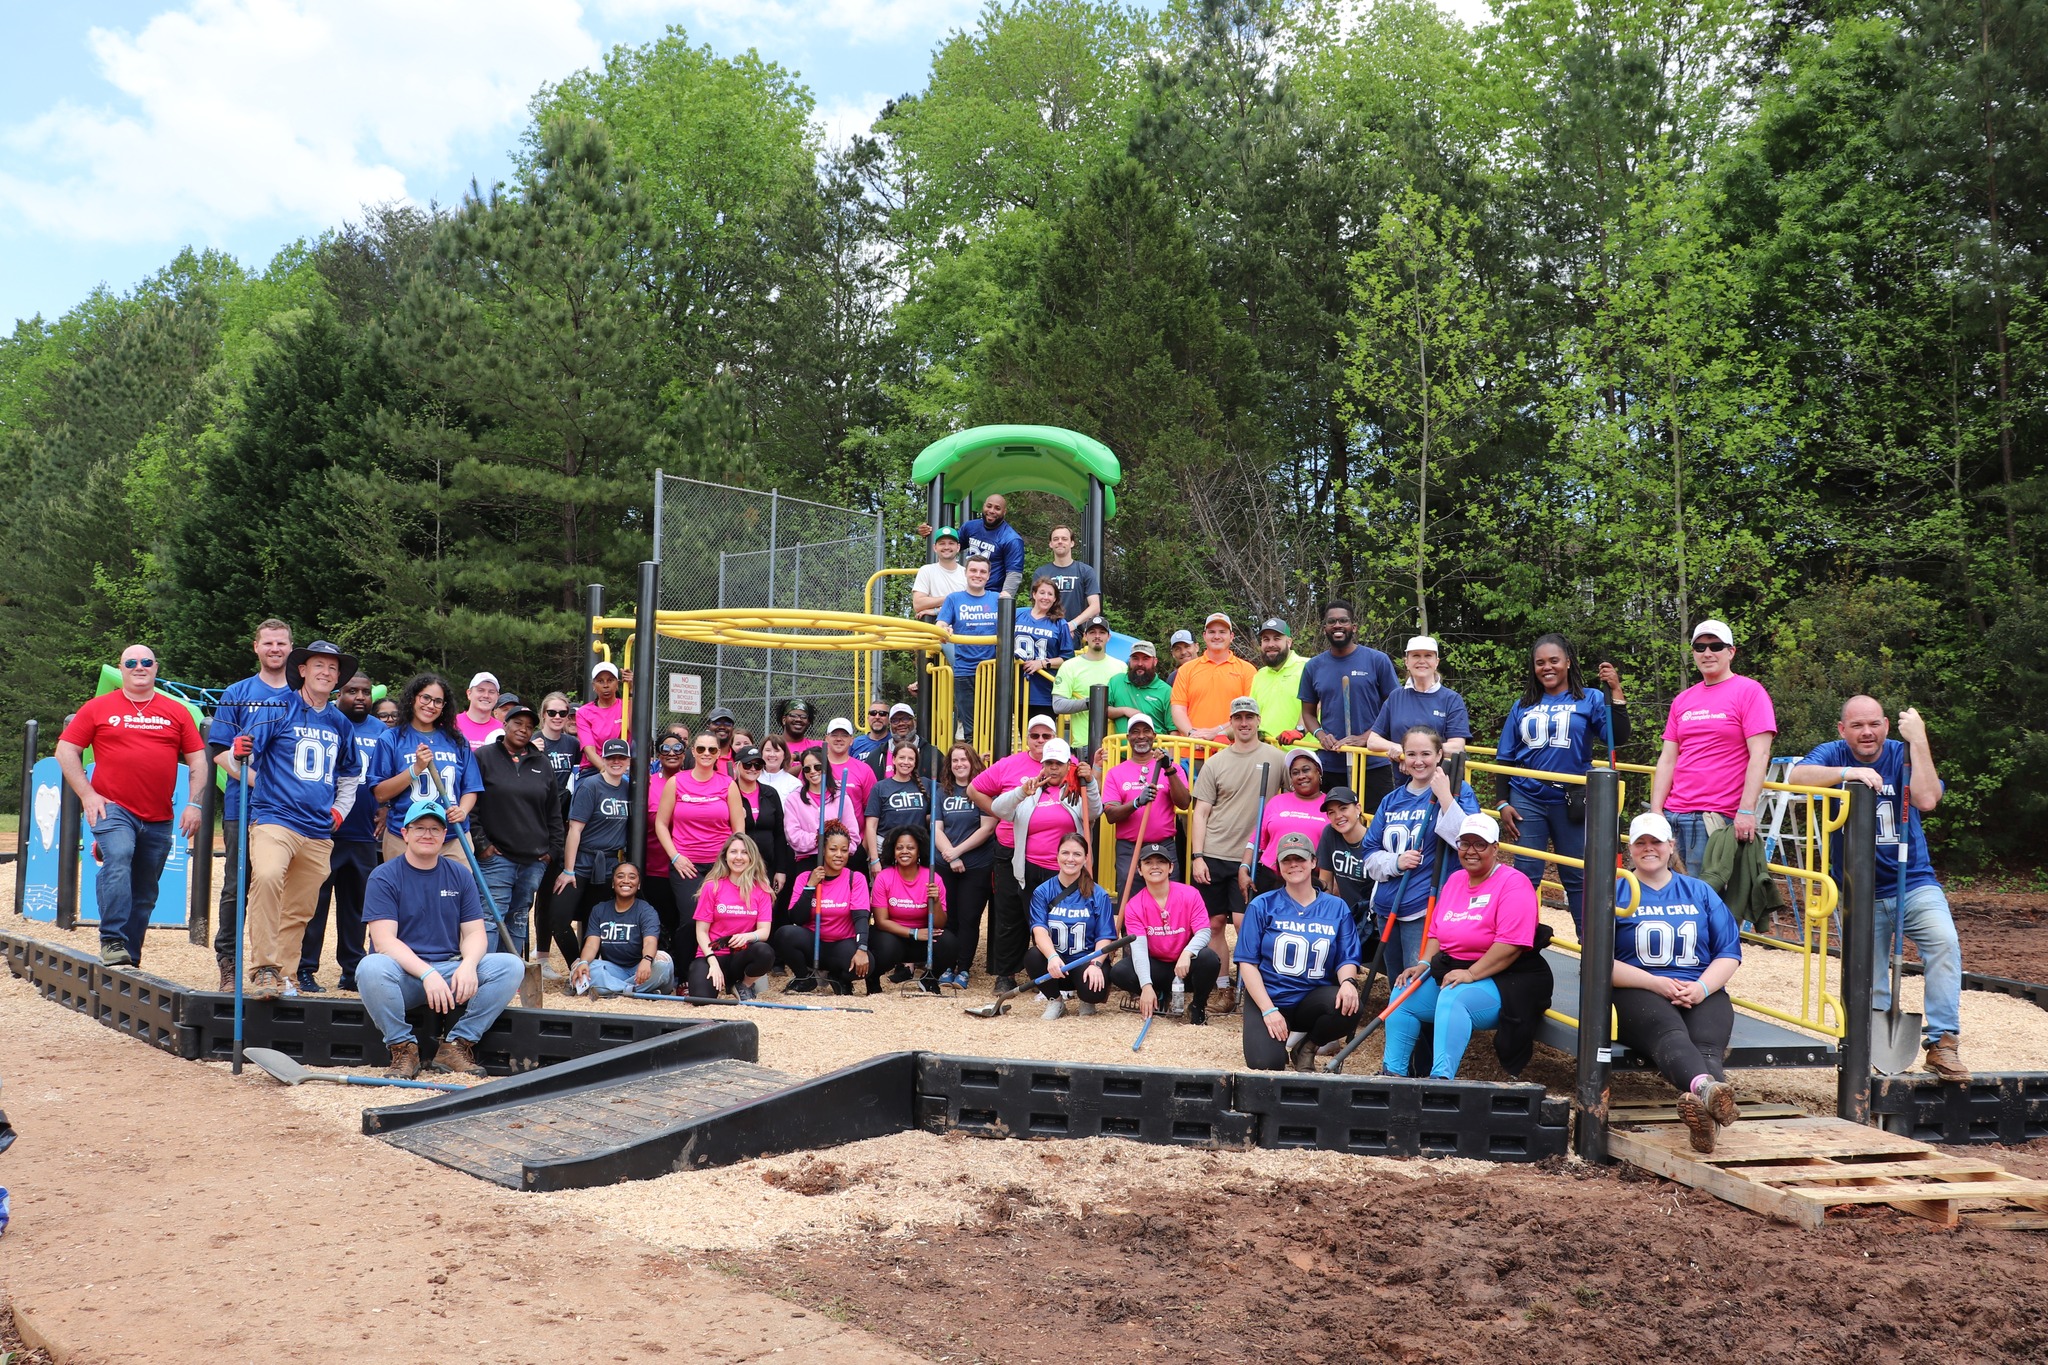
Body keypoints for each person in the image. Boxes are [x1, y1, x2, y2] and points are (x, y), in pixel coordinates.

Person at [1789, 698, 1969, 1082]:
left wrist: (1919, 740)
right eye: (1857, 726)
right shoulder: (1833, 753)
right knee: (1869, 975)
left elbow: (1926, 799)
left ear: (1886, 725)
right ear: (1843, 730)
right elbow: (1796, 778)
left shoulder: (1903, 754)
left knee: (1944, 943)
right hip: (1859, 889)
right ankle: (1875, 1052)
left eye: (1874, 724)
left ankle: (1943, 1043)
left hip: (1912, 881)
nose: (1867, 732)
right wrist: (1848, 773)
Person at [228, 641, 368, 1000]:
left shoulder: (340, 722)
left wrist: (340, 810)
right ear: (302, 670)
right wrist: (237, 753)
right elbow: (243, 755)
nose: (326, 672)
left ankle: (285, 975)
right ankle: (263, 968)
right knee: (267, 876)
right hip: (275, 817)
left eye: (333, 668)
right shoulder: (278, 708)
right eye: (319, 665)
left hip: (318, 828)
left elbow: (351, 773)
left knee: (300, 907)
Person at [56, 645, 207, 970]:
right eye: (132, 662)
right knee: (119, 855)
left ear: (156, 668)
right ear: (121, 668)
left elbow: (198, 760)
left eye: (146, 662)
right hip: (112, 808)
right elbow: (66, 750)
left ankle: (130, 959)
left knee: (146, 891)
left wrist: (194, 804)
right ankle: (111, 940)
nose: (140, 667)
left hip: (159, 815)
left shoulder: (177, 711)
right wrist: (87, 794)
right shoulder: (98, 707)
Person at [357, 800, 524, 1078]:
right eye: (420, 828)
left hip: (449, 972)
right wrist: (427, 973)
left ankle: (456, 1045)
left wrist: (468, 965)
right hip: (403, 977)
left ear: (445, 835)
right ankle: (403, 1048)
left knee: (510, 966)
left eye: (435, 829)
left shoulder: (460, 874)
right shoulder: (384, 876)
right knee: (370, 967)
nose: (428, 834)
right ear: (405, 833)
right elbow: (385, 942)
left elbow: (475, 933)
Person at [1609, 813, 1745, 1151]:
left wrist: (1701, 988)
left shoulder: (1699, 891)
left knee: (1708, 1047)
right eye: (1640, 842)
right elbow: (1599, 962)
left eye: (1656, 841)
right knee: (1669, 1034)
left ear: (1671, 846)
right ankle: (1708, 1091)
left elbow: (1729, 952)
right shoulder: (1615, 890)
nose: (1648, 848)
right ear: (1630, 849)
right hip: (1638, 988)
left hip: (1698, 986)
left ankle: (1705, 1113)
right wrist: (1655, 983)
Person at [1382, 813, 1552, 1080]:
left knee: (1454, 995)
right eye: (1465, 843)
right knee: (1403, 994)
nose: (1471, 851)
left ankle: (1440, 1081)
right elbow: (1436, 932)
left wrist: (1471, 974)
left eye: (1480, 844)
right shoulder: (1455, 880)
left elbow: (1510, 945)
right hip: (1457, 967)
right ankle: (1391, 1077)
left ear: (1495, 848)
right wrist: (1423, 964)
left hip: (1509, 976)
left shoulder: (1514, 883)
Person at [1494, 634, 1629, 927]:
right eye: (1540, 662)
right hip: (1527, 796)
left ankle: (1587, 946)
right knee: (1525, 874)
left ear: (1567, 662)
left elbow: (1617, 737)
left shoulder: (1590, 698)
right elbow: (1505, 756)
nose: (1547, 667)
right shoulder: (1523, 704)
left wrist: (1616, 691)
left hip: (1572, 799)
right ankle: (1517, 944)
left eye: (1554, 660)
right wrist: (1502, 801)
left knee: (1577, 875)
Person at [205, 617, 294, 989]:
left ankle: (279, 967)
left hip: (292, 810)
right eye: (268, 643)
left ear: (291, 648)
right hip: (245, 806)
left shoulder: (302, 694)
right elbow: (219, 753)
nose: (275, 649)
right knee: (237, 886)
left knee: (284, 888)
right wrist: (262, 781)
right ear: (256, 647)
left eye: (281, 643)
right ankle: (228, 962)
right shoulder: (237, 693)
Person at [1650, 619, 1776, 876]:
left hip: (1715, 818)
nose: (1707, 653)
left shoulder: (1750, 692)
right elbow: (1668, 759)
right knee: (1670, 891)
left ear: (1731, 652)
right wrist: (1655, 811)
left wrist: (1746, 810)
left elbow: (1760, 754)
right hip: (1673, 815)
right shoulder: (1683, 700)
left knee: (1708, 894)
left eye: (1716, 646)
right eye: (1700, 647)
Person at [1236, 832, 1364, 1070]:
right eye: (1286, 860)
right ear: (1278, 866)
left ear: (1313, 862)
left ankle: (1306, 1047)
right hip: (1271, 995)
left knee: (1350, 1005)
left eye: (1300, 858)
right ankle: (1274, 1041)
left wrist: (1348, 983)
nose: (1293, 864)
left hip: (1311, 999)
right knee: (1265, 1064)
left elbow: (1346, 956)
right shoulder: (1262, 905)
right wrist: (1268, 1010)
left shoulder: (1336, 907)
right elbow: (1247, 963)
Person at [1187, 697, 1284, 1009]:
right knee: (1214, 924)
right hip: (1215, 852)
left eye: (1249, 717)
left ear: (1258, 720)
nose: (1244, 723)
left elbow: (1292, 796)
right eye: (1238, 717)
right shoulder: (1216, 762)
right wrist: (1198, 856)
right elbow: (1201, 813)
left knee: (1245, 924)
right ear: (1230, 722)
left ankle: (1253, 987)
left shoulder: (1277, 759)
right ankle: (1223, 988)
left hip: (1253, 856)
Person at [988, 736, 1102, 992]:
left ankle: (1062, 977)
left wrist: (1091, 782)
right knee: (1030, 922)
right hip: (1029, 869)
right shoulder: (1030, 790)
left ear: (1067, 765)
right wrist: (1021, 792)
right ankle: (1024, 975)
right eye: (1049, 763)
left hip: (1065, 871)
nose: (1053, 768)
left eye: (1058, 764)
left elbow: (1095, 812)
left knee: (1061, 925)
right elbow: (998, 808)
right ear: (1042, 765)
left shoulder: (1076, 789)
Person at [298, 672, 388, 992]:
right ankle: (305, 967)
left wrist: (387, 806)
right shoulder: (327, 722)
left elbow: (390, 774)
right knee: (315, 903)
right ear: (339, 694)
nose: (360, 697)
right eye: (352, 691)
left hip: (364, 833)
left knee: (357, 907)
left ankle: (352, 969)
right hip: (325, 831)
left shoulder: (382, 731)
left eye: (366, 691)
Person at [1364, 727, 1479, 969]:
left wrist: (1445, 796)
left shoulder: (1458, 790)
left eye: (1425, 754)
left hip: (1425, 909)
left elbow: (1470, 843)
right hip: (1386, 907)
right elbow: (1369, 853)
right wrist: (1396, 862)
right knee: (1396, 982)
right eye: (1411, 754)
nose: (1418, 761)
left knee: (1415, 983)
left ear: (1439, 755)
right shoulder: (1391, 800)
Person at [966, 714, 1061, 988]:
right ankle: (1006, 974)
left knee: (1051, 913)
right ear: (1027, 739)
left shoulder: (1065, 763)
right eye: (1035, 736)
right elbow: (974, 790)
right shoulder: (1009, 764)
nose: (1040, 741)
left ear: (1054, 738)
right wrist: (1002, 814)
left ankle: (1048, 973)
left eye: (1046, 736)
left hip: (1050, 854)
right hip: (1010, 849)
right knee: (1010, 912)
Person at [471, 700, 563, 958]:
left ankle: (510, 974)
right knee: (491, 917)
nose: (523, 729)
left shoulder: (542, 762)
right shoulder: (483, 757)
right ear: (504, 725)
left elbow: (554, 812)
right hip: (496, 858)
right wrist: (483, 845)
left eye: (529, 726)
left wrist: (552, 851)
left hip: (534, 860)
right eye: (518, 723)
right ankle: (485, 972)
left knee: (519, 918)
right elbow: (471, 805)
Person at [1297, 600, 1400, 804]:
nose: (1337, 625)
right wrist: (1321, 735)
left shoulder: (1377, 660)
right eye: (1331, 621)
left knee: (1373, 819)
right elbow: (1308, 713)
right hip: (1331, 763)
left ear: (1354, 627)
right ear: (1324, 628)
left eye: (1343, 621)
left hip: (1372, 762)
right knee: (1336, 818)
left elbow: (1395, 707)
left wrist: (1365, 738)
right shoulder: (1313, 667)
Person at [373, 674, 482, 862]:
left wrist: (462, 811)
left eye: (438, 701)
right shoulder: (391, 739)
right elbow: (380, 794)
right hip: (405, 836)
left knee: (457, 882)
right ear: (413, 698)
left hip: (452, 836)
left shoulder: (456, 740)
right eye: (425, 698)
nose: (431, 705)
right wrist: (415, 769)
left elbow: (471, 787)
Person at [655, 730, 747, 953]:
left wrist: (733, 862)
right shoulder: (677, 782)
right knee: (690, 918)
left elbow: (739, 830)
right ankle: (685, 970)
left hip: (720, 866)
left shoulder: (728, 784)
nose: (706, 753)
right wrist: (675, 857)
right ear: (693, 752)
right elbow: (661, 823)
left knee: (720, 917)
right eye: (701, 749)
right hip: (686, 866)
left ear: (718, 755)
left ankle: (717, 964)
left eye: (712, 749)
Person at [1111, 842, 1222, 1025]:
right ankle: (1158, 993)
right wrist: (1146, 986)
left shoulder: (1190, 894)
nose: (1155, 866)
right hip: (1157, 965)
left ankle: (1197, 1006)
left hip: (1184, 966)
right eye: (1148, 862)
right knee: (1119, 971)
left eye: (1161, 862)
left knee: (1209, 959)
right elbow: (1139, 950)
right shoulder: (1134, 905)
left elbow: (1203, 932)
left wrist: (1187, 953)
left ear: (1170, 867)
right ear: (1139, 870)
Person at [549, 739, 634, 969]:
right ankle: (576, 966)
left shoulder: (628, 788)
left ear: (628, 761)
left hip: (608, 865)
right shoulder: (591, 786)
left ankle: (589, 970)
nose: (616, 762)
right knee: (559, 918)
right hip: (582, 860)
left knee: (594, 921)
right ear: (603, 760)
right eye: (611, 758)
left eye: (621, 758)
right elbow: (574, 830)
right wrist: (569, 870)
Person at [1024, 832, 1118, 1019]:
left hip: (1085, 963)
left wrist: (1095, 964)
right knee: (1033, 956)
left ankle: (1087, 999)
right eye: (1065, 853)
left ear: (1086, 858)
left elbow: (1104, 936)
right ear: (1057, 855)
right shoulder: (1043, 891)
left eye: (1077, 854)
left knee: (1093, 991)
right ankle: (1055, 1000)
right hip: (1056, 965)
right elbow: (1039, 930)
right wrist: (1052, 957)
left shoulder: (1098, 894)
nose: (1070, 859)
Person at [773, 824, 871, 993]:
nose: (839, 855)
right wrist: (810, 886)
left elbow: (861, 917)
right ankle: (805, 978)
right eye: (833, 849)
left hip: (842, 944)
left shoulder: (855, 878)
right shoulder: (805, 878)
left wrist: (862, 949)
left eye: (844, 850)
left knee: (867, 964)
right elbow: (796, 918)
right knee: (784, 934)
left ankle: (839, 977)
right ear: (823, 850)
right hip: (813, 943)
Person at [1101, 715, 1190, 898]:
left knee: (1169, 899)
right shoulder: (1115, 773)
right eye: (1135, 732)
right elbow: (1111, 815)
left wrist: (1169, 769)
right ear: (1128, 738)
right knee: (1131, 899)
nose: (1141, 736)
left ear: (1154, 735)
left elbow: (1184, 802)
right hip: (1130, 848)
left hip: (1164, 846)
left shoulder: (1172, 768)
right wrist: (1136, 803)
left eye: (1146, 731)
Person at [934, 743, 997, 989]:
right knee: (948, 918)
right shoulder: (942, 791)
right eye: (955, 761)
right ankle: (947, 965)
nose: (959, 764)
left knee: (969, 918)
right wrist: (951, 856)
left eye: (964, 759)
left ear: (972, 762)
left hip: (977, 865)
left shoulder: (982, 789)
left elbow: (987, 828)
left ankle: (963, 968)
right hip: (945, 864)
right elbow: (936, 828)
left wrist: (958, 852)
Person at [688, 834, 777, 1000]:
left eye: (744, 852)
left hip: (740, 956)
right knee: (701, 999)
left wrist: (747, 936)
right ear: (725, 856)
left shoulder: (762, 889)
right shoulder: (712, 886)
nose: (738, 857)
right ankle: (720, 980)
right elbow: (701, 931)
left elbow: (764, 932)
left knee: (765, 952)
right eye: (733, 852)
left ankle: (744, 985)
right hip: (713, 954)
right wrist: (712, 962)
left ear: (752, 857)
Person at [567, 861, 675, 997]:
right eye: (620, 876)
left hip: (640, 967)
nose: (626, 881)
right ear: (613, 883)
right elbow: (591, 945)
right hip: (613, 969)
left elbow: (650, 942)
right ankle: (635, 991)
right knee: (583, 966)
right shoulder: (599, 910)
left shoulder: (646, 911)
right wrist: (583, 962)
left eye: (632, 877)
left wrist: (647, 960)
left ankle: (611, 989)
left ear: (639, 884)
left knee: (663, 962)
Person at [870, 827, 957, 994]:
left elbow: (940, 924)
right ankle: (873, 979)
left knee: (949, 942)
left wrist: (936, 901)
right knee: (885, 946)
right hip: (893, 935)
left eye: (910, 847)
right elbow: (881, 922)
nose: (904, 851)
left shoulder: (933, 879)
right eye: (899, 847)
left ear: (919, 852)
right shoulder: (884, 877)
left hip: (922, 937)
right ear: (893, 851)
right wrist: (914, 933)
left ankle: (929, 979)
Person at [1365, 636, 1472, 758]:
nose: (1422, 661)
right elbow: (1373, 741)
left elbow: (1456, 747)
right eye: (1416, 656)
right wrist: (1397, 748)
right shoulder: (1395, 697)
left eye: (1428, 656)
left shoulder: (1452, 699)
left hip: (1439, 771)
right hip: (1401, 771)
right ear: (1407, 662)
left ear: (1436, 662)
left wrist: (1410, 752)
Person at [936, 556, 1002, 740]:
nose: (977, 575)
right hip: (964, 669)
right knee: (970, 726)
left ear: (988, 575)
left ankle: (993, 757)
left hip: (991, 669)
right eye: (973, 570)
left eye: (982, 571)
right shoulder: (954, 599)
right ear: (965, 573)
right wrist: (944, 629)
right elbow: (941, 623)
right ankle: (973, 758)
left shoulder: (997, 599)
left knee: (991, 724)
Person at [1253, 751, 1333, 892]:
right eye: (1295, 773)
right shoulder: (1276, 801)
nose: (1301, 776)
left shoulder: (1330, 805)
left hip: (1311, 879)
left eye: (1306, 770)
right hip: (1272, 877)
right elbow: (1256, 840)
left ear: (1319, 772)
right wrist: (1244, 867)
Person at [1170, 613, 1257, 740]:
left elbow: (1249, 713)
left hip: (1232, 748)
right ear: (1204, 636)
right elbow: (1178, 709)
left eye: (1222, 632)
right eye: (1212, 632)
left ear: (1231, 636)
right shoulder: (1185, 670)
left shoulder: (1247, 670)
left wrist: (1217, 732)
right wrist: (1192, 734)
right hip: (1192, 747)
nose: (1217, 636)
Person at [637, 730, 689, 941]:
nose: (672, 753)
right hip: (655, 868)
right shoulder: (647, 784)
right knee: (660, 924)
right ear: (658, 754)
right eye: (665, 749)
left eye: (677, 748)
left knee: (684, 921)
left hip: (688, 867)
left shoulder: (692, 782)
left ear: (685, 753)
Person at [1050, 614, 1125, 751]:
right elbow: (1058, 705)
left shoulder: (1121, 667)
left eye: (1102, 632)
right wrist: (1092, 703)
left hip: (1116, 746)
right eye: (1092, 632)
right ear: (1085, 636)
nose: (1097, 636)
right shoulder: (1069, 666)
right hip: (1083, 745)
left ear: (1108, 637)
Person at [730, 745, 791, 904]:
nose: (753, 769)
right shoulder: (729, 792)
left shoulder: (770, 793)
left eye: (757, 765)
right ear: (737, 766)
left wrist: (781, 870)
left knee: (767, 909)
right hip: (738, 866)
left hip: (768, 867)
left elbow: (779, 833)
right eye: (747, 764)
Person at [864, 741, 935, 868]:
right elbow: (871, 825)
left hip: (915, 853)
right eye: (902, 757)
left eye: (911, 759)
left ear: (915, 762)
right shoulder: (880, 787)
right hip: (886, 853)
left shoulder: (927, 784)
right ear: (894, 759)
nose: (906, 762)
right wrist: (874, 859)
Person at [817, 718, 878, 856]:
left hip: (853, 845)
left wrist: (864, 846)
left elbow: (872, 812)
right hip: (819, 846)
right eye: (834, 735)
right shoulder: (815, 767)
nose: (839, 739)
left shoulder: (864, 770)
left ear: (851, 740)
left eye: (844, 735)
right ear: (826, 738)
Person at [1315, 787, 1373, 930]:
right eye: (1331, 812)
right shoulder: (1330, 833)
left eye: (1343, 808)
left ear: (1358, 808)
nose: (1338, 816)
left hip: (1373, 919)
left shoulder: (1375, 838)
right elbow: (1325, 884)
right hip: (1346, 917)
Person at [1014, 578, 1073, 716]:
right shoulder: (1017, 614)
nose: (1045, 597)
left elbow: (1067, 658)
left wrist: (1042, 663)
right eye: (1042, 592)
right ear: (1034, 594)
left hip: (1044, 691)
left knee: (1042, 728)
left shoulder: (1060, 623)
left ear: (1055, 599)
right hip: (1016, 688)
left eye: (1050, 594)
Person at [1249, 619, 1309, 742]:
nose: (1270, 644)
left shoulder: (1308, 667)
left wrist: (1299, 730)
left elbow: (1317, 704)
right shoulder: (1259, 675)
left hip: (1302, 750)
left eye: (1277, 639)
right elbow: (1252, 714)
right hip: (1267, 749)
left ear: (1289, 642)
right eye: (1266, 639)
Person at [1032, 523, 1101, 623]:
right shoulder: (1041, 573)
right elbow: (1036, 607)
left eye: (1064, 539)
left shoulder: (1085, 571)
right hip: (1047, 628)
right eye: (1056, 539)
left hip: (1076, 629)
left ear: (1072, 543)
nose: (1060, 542)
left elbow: (1095, 606)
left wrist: (1072, 625)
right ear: (1050, 544)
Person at [959, 492, 1026, 596]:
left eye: (997, 508)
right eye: (989, 506)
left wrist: (1004, 600)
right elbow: (950, 547)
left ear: (1004, 512)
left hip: (991, 594)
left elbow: (1014, 574)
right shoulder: (970, 526)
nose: (991, 511)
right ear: (983, 506)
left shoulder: (1012, 539)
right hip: (965, 590)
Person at [1105, 639, 1173, 736]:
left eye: (1145, 659)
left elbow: (1174, 730)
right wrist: (1124, 710)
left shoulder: (1166, 691)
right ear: (1130, 660)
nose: (1140, 663)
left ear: (1155, 661)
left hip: (1155, 745)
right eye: (1135, 658)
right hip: (1120, 746)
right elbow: (1102, 711)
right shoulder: (1116, 681)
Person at [911, 526, 968, 623]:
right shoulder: (926, 570)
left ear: (958, 547)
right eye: (942, 543)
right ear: (935, 547)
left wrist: (936, 610)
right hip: (934, 628)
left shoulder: (966, 573)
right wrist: (952, 599)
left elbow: (971, 606)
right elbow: (918, 604)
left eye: (951, 543)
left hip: (961, 628)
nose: (946, 547)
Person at [575, 662, 625, 769]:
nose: (605, 685)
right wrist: (608, 773)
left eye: (610, 680)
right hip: (594, 769)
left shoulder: (626, 706)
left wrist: (632, 687)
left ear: (617, 684)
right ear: (594, 686)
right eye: (600, 681)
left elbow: (635, 732)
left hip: (623, 767)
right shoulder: (584, 713)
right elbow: (590, 753)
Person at [537, 691, 580, 796]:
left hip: (560, 802)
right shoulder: (532, 742)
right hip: (537, 801)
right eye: (552, 713)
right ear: (544, 714)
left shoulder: (573, 743)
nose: (557, 717)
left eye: (562, 713)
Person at [454, 671, 503, 748]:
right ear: (469, 693)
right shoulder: (451, 724)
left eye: (491, 692)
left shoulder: (503, 731)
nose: (486, 695)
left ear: (497, 697)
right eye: (481, 690)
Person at [758, 736, 801, 800]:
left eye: (777, 751)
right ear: (761, 753)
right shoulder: (753, 779)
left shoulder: (794, 784)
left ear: (784, 755)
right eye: (768, 750)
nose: (772, 754)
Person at [851, 700, 892, 767]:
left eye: (882, 714)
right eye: (873, 713)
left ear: (889, 719)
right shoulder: (855, 743)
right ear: (868, 718)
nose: (877, 717)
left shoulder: (895, 742)